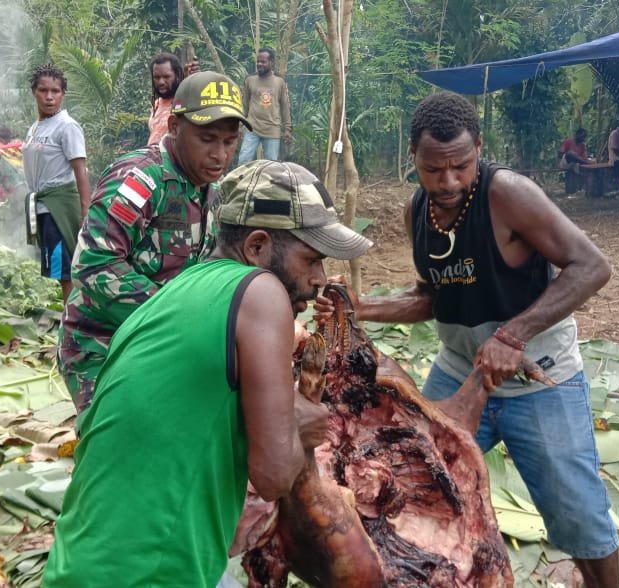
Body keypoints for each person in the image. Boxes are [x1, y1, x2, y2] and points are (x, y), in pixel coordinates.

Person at [316, 91, 619, 587]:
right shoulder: (420, 211)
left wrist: (513, 334)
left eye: (461, 165)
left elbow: (592, 266)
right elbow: (430, 299)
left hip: (539, 378)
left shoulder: (508, 194)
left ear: (479, 147)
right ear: (412, 156)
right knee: (414, 489)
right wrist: (360, 307)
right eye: (434, 170)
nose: (449, 181)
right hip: (459, 372)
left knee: (579, 515)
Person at [42, 160, 372, 586]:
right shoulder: (260, 292)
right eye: (311, 260)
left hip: (83, 565)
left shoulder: (178, 290)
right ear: (257, 246)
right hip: (149, 576)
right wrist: (299, 427)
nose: (319, 279)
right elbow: (273, 477)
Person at [58, 71, 250, 414]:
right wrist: (178, 317)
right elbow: (93, 265)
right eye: (207, 139)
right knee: (117, 450)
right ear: (174, 127)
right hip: (102, 346)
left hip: (161, 344)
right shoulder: (141, 181)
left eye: (229, 142)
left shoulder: (211, 192)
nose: (220, 154)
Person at [22, 63, 90, 303]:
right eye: (43, 90)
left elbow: (80, 170)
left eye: (55, 91)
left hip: (60, 208)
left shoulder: (67, 126)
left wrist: (85, 211)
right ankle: (69, 323)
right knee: (58, 269)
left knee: (65, 271)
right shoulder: (36, 128)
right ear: (33, 92)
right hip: (43, 208)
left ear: (63, 94)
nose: (49, 97)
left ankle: (69, 330)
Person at [237, 48, 292, 164]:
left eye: (263, 61)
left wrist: (287, 129)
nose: (259, 64)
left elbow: (285, 107)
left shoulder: (279, 81)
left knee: (270, 166)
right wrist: (240, 125)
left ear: (271, 62)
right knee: (243, 161)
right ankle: (242, 182)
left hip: (272, 129)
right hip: (252, 128)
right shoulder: (250, 80)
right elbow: (244, 105)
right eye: (258, 61)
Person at [146, 51, 200, 145]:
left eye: (166, 77)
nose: (161, 82)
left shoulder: (185, 101)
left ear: (177, 76)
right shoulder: (156, 104)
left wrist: (193, 80)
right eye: (157, 77)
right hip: (153, 157)